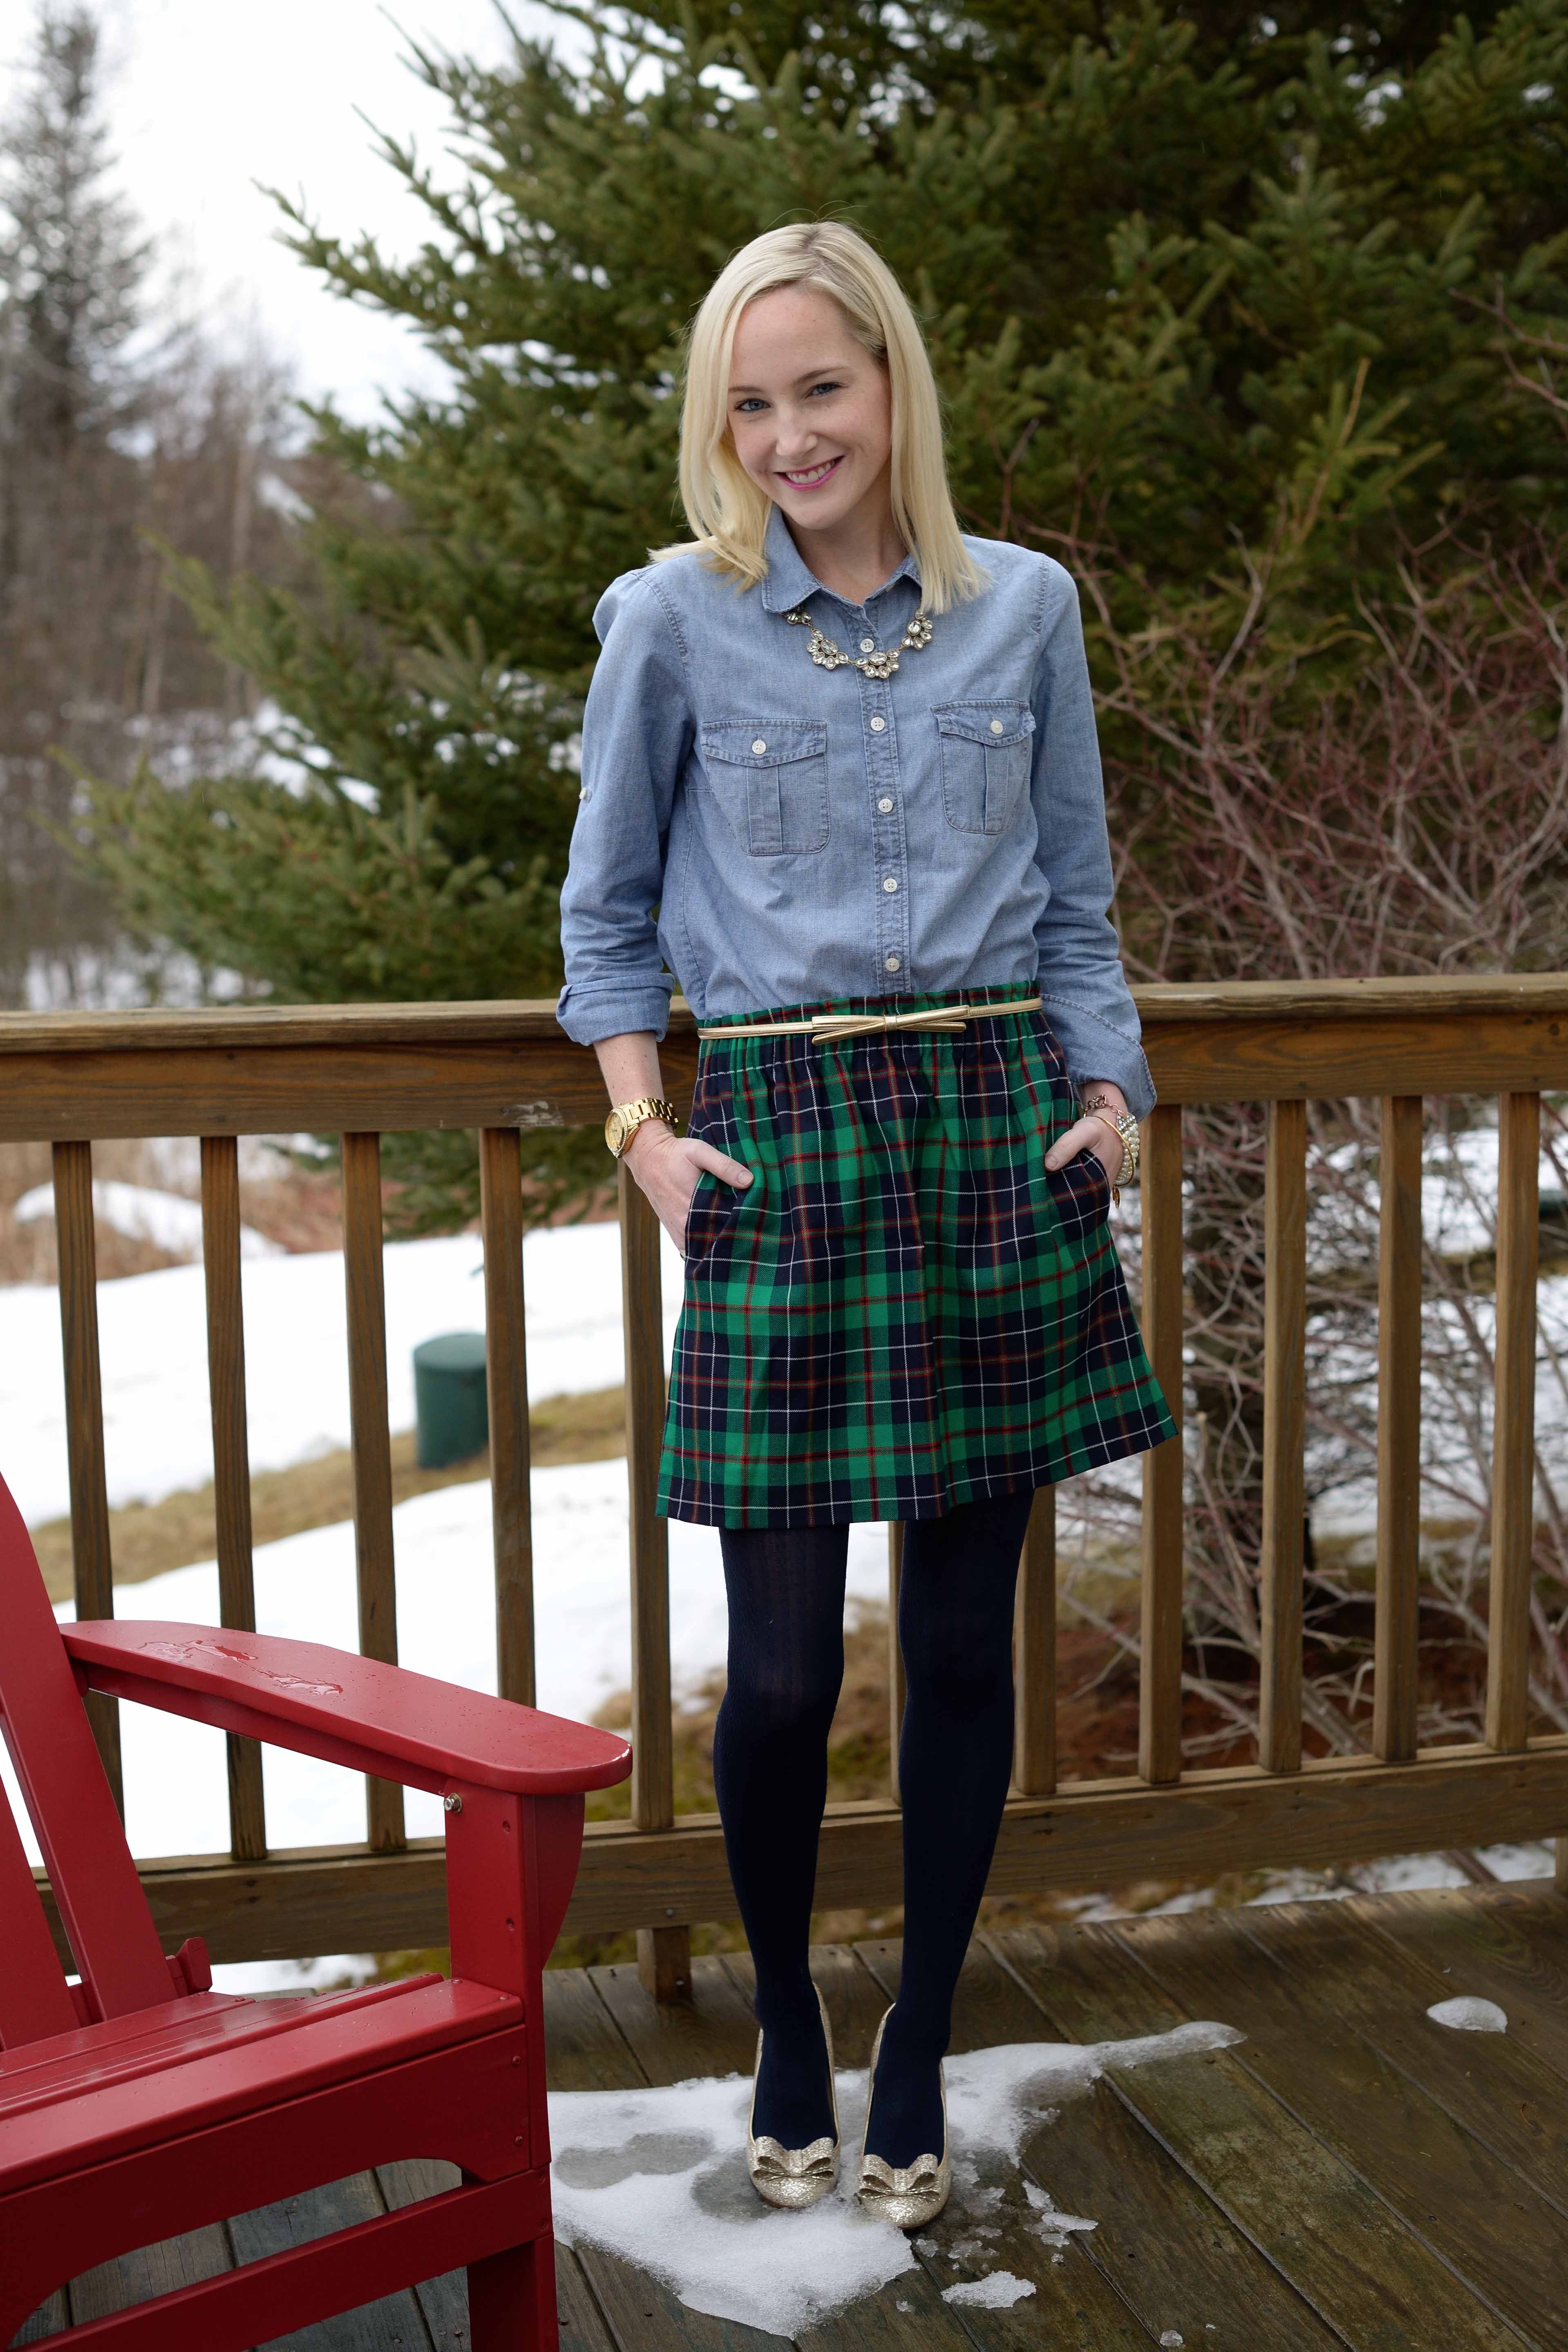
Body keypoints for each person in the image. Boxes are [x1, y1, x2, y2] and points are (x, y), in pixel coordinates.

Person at [556, 220, 1175, 2229]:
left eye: (821, 385)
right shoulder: (671, 616)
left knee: (965, 1651)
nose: (788, 431)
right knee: (787, 1674)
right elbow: (609, 912)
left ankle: (913, 2029)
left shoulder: (1027, 612)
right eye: (750, 401)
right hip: (787, 1147)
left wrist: (1116, 1096)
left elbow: (1077, 893)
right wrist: (645, 1124)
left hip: (1000, 1134)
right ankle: (784, 2031)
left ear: (893, 384)